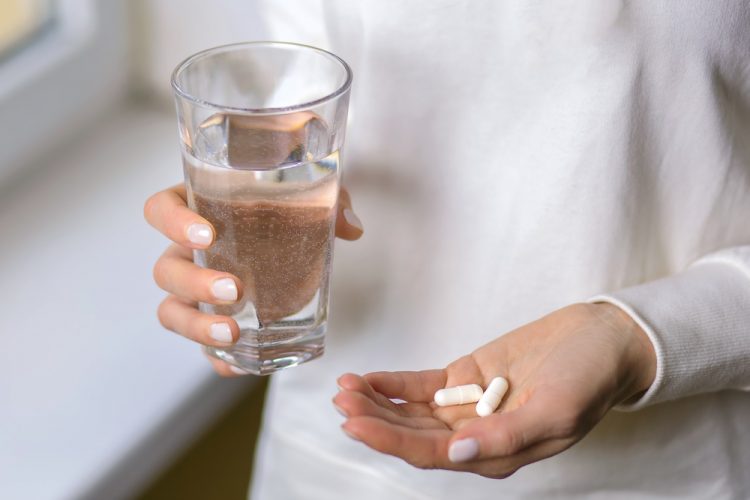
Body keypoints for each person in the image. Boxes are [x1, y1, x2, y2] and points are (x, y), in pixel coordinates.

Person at [144, 1, 750, 498]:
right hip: (336, 456)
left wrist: (640, 337)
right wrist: (246, 244)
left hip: (668, 472)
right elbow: (311, 101)